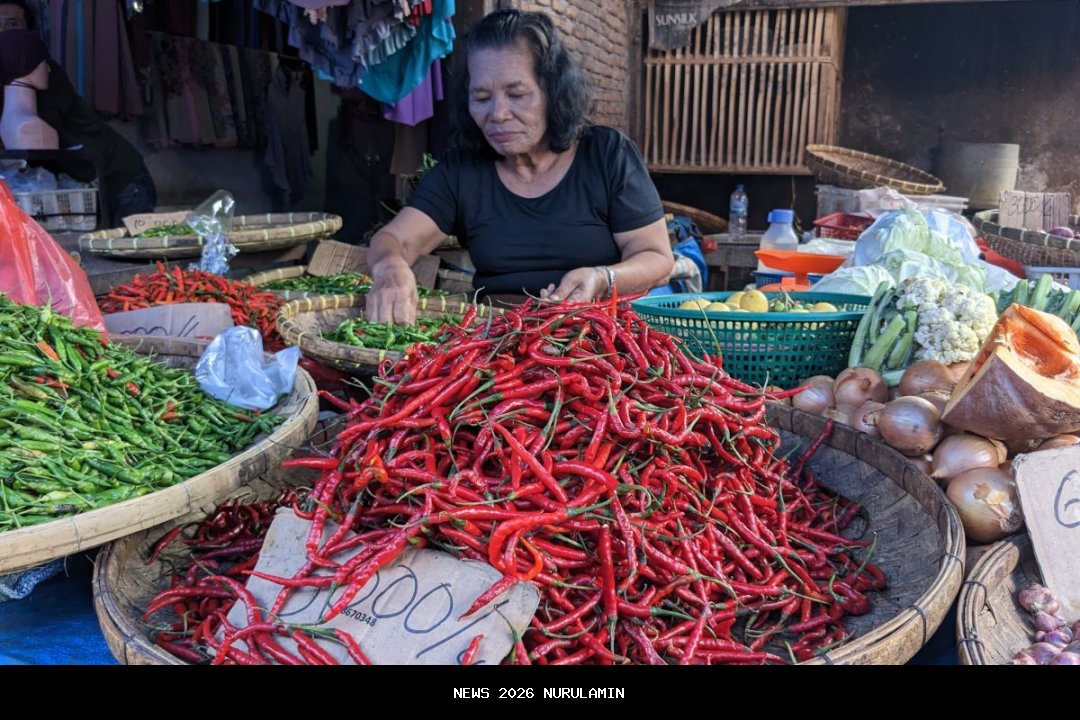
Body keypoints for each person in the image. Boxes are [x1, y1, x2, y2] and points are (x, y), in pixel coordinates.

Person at [366, 9, 673, 324]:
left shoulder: (606, 155)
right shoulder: (462, 171)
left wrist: (601, 278)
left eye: (517, 94)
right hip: (498, 344)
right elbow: (395, 239)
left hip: (601, 338)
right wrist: (391, 269)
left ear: (554, 92)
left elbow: (657, 259)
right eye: (482, 97)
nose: (498, 114)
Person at [0, 2, 157, 221]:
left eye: (12, 24)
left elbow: (33, 143)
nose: (2, 30)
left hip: (118, 178)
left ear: (30, 33)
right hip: (84, 184)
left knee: (121, 248)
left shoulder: (41, 72)